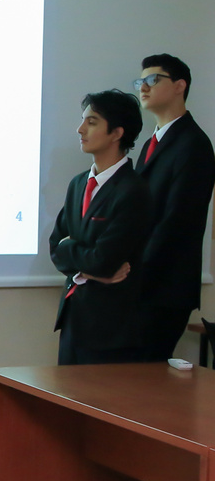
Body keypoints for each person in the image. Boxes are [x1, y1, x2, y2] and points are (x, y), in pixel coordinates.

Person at [50, 90, 152, 366]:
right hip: (73, 319)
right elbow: (55, 248)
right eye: (83, 120)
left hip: (109, 329)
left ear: (117, 133)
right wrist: (87, 270)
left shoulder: (133, 190)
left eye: (92, 122)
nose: (80, 129)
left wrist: (73, 251)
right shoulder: (78, 183)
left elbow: (105, 261)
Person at [133, 54, 215, 361]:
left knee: (142, 376)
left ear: (180, 86)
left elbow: (177, 221)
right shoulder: (151, 143)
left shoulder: (193, 144)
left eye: (153, 80)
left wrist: (135, 272)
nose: (143, 87)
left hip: (163, 286)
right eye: (140, 81)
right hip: (143, 285)